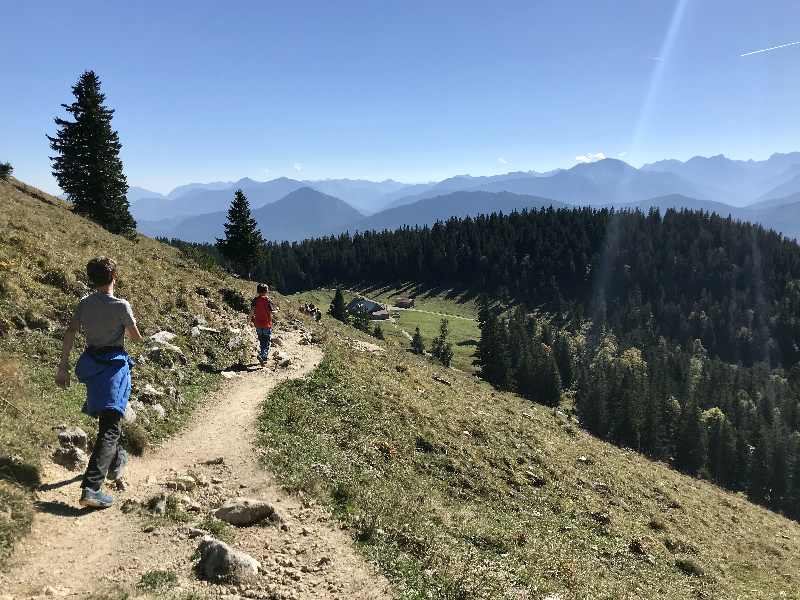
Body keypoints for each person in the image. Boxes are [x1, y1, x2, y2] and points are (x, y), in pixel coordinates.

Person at [56, 257, 142, 508]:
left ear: (91, 279)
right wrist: (128, 325)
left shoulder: (84, 303)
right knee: (111, 425)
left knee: (108, 418)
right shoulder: (121, 305)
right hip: (114, 366)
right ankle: (92, 488)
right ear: (114, 276)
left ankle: (116, 462)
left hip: (92, 363)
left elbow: (70, 332)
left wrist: (63, 368)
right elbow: (135, 338)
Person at [250, 283, 276, 365]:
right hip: (267, 324)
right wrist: (277, 311)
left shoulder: (255, 300)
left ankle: (262, 355)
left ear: (258, 291)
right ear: (266, 291)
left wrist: (248, 320)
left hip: (257, 324)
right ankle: (263, 356)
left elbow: (252, 311)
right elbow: (272, 312)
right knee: (267, 341)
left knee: (261, 340)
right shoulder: (268, 300)